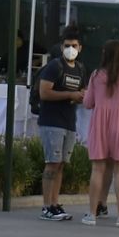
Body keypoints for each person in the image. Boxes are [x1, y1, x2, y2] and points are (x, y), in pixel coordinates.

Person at [81, 41, 119, 227]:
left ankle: (91, 214)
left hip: (99, 124)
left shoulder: (95, 75)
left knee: (97, 169)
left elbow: (87, 102)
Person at [35, 27, 86, 221]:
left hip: (69, 122)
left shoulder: (81, 68)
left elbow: (83, 90)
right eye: (67, 45)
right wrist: (70, 95)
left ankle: (55, 204)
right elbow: (44, 92)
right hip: (52, 122)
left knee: (61, 164)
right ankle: (46, 206)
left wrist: (82, 96)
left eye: (74, 46)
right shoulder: (55, 66)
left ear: (80, 47)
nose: (70, 49)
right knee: (52, 163)